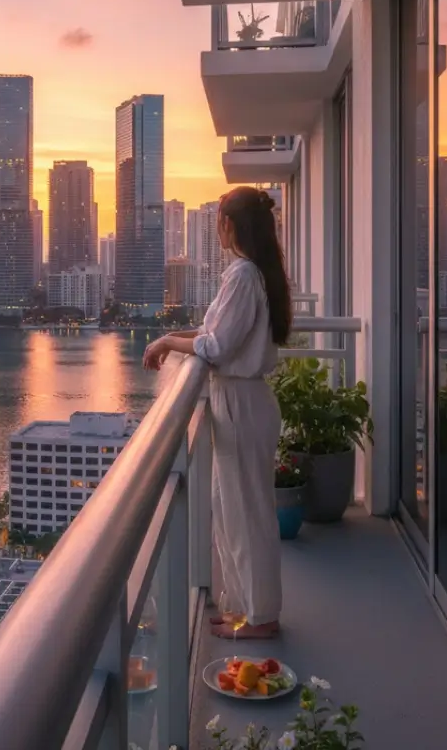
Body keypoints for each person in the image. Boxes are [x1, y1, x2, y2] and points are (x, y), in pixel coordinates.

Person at [142, 186, 291, 639]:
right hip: (238, 401)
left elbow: (215, 346)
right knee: (231, 510)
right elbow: (212, 331)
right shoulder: (251, 273)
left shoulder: (244, 275)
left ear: (232, 225)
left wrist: (169, 343)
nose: (217, 228)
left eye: (220, 220)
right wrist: (171, 335)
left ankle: (261, 616)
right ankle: (242, 606)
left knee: (247, 514)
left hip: (241, 402)